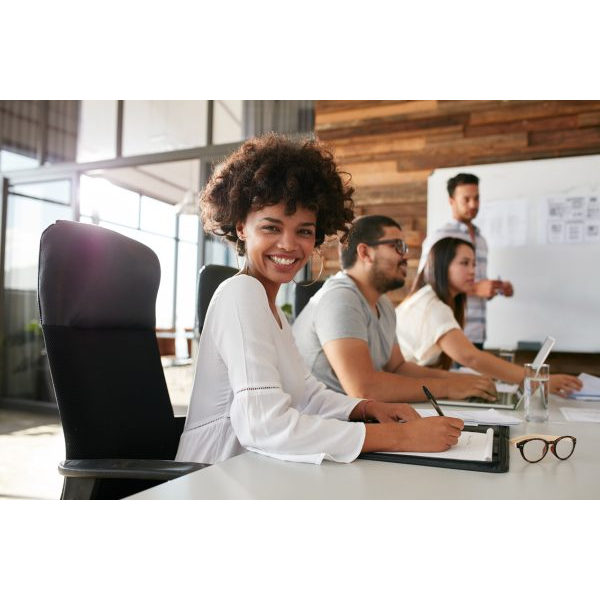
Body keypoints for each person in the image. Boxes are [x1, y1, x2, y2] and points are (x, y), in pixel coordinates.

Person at [175, 134, 464, 466]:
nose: (288, 245)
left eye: (304, 231)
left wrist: (365, 407)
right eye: (271, 227)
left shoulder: (272, 309)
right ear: (241, 227)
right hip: (214, 477)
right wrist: (401, 437)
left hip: (258, 469)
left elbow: (307, 393)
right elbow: (263, 425)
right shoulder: (242, 294)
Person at [293, 215, 497, 403]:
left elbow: (397, 368)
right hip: (323, 427)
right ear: (365, 253)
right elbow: (363, 389)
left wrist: (461, 380)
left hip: (353, 420)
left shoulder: (383, 304)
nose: (406, 256)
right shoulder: (340, 299)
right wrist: (448, 387)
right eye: (398, 246)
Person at [396, 237, 582, 397]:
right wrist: (535, 379)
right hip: (402, 392)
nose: (472, 271)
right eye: (464, 263)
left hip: (412, 388)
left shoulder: (431, 299)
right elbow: (471, 357)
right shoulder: (432, 306)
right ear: (442, 266)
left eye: (474, 264)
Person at [418, 173, 513, 349]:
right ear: (451, 201)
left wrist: (494, 288)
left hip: (477, 332)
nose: (473, 204)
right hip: (448, 331)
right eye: (466, 199)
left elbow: (472, 282)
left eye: (477, 198)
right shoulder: (440, 237)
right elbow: (425, 282)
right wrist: (476, 289)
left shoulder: (481, 241)